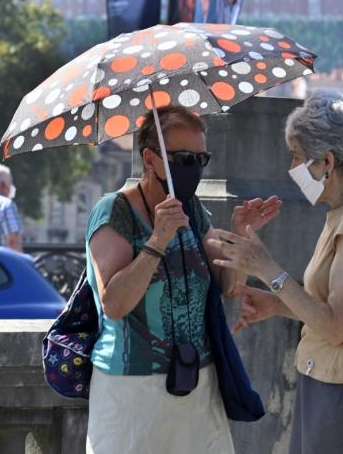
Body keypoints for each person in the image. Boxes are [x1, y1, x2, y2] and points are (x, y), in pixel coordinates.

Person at [209, 92, 343, 454]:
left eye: (297, 156)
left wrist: (268, 270)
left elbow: (335, 327)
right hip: (340, 383)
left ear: (327, 161)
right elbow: (342, 311)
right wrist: (276, 304)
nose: (292, 167)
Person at [85, 105, 281, 454]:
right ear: (150, 159)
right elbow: (114, 303)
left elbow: (228, 285)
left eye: (200, 158)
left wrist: (242, 235)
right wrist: (157, 240)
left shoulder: (191, 210)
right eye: (183, 158)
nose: (193, 168)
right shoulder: (114, 211)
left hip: (196, 383)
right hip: (132, 390)